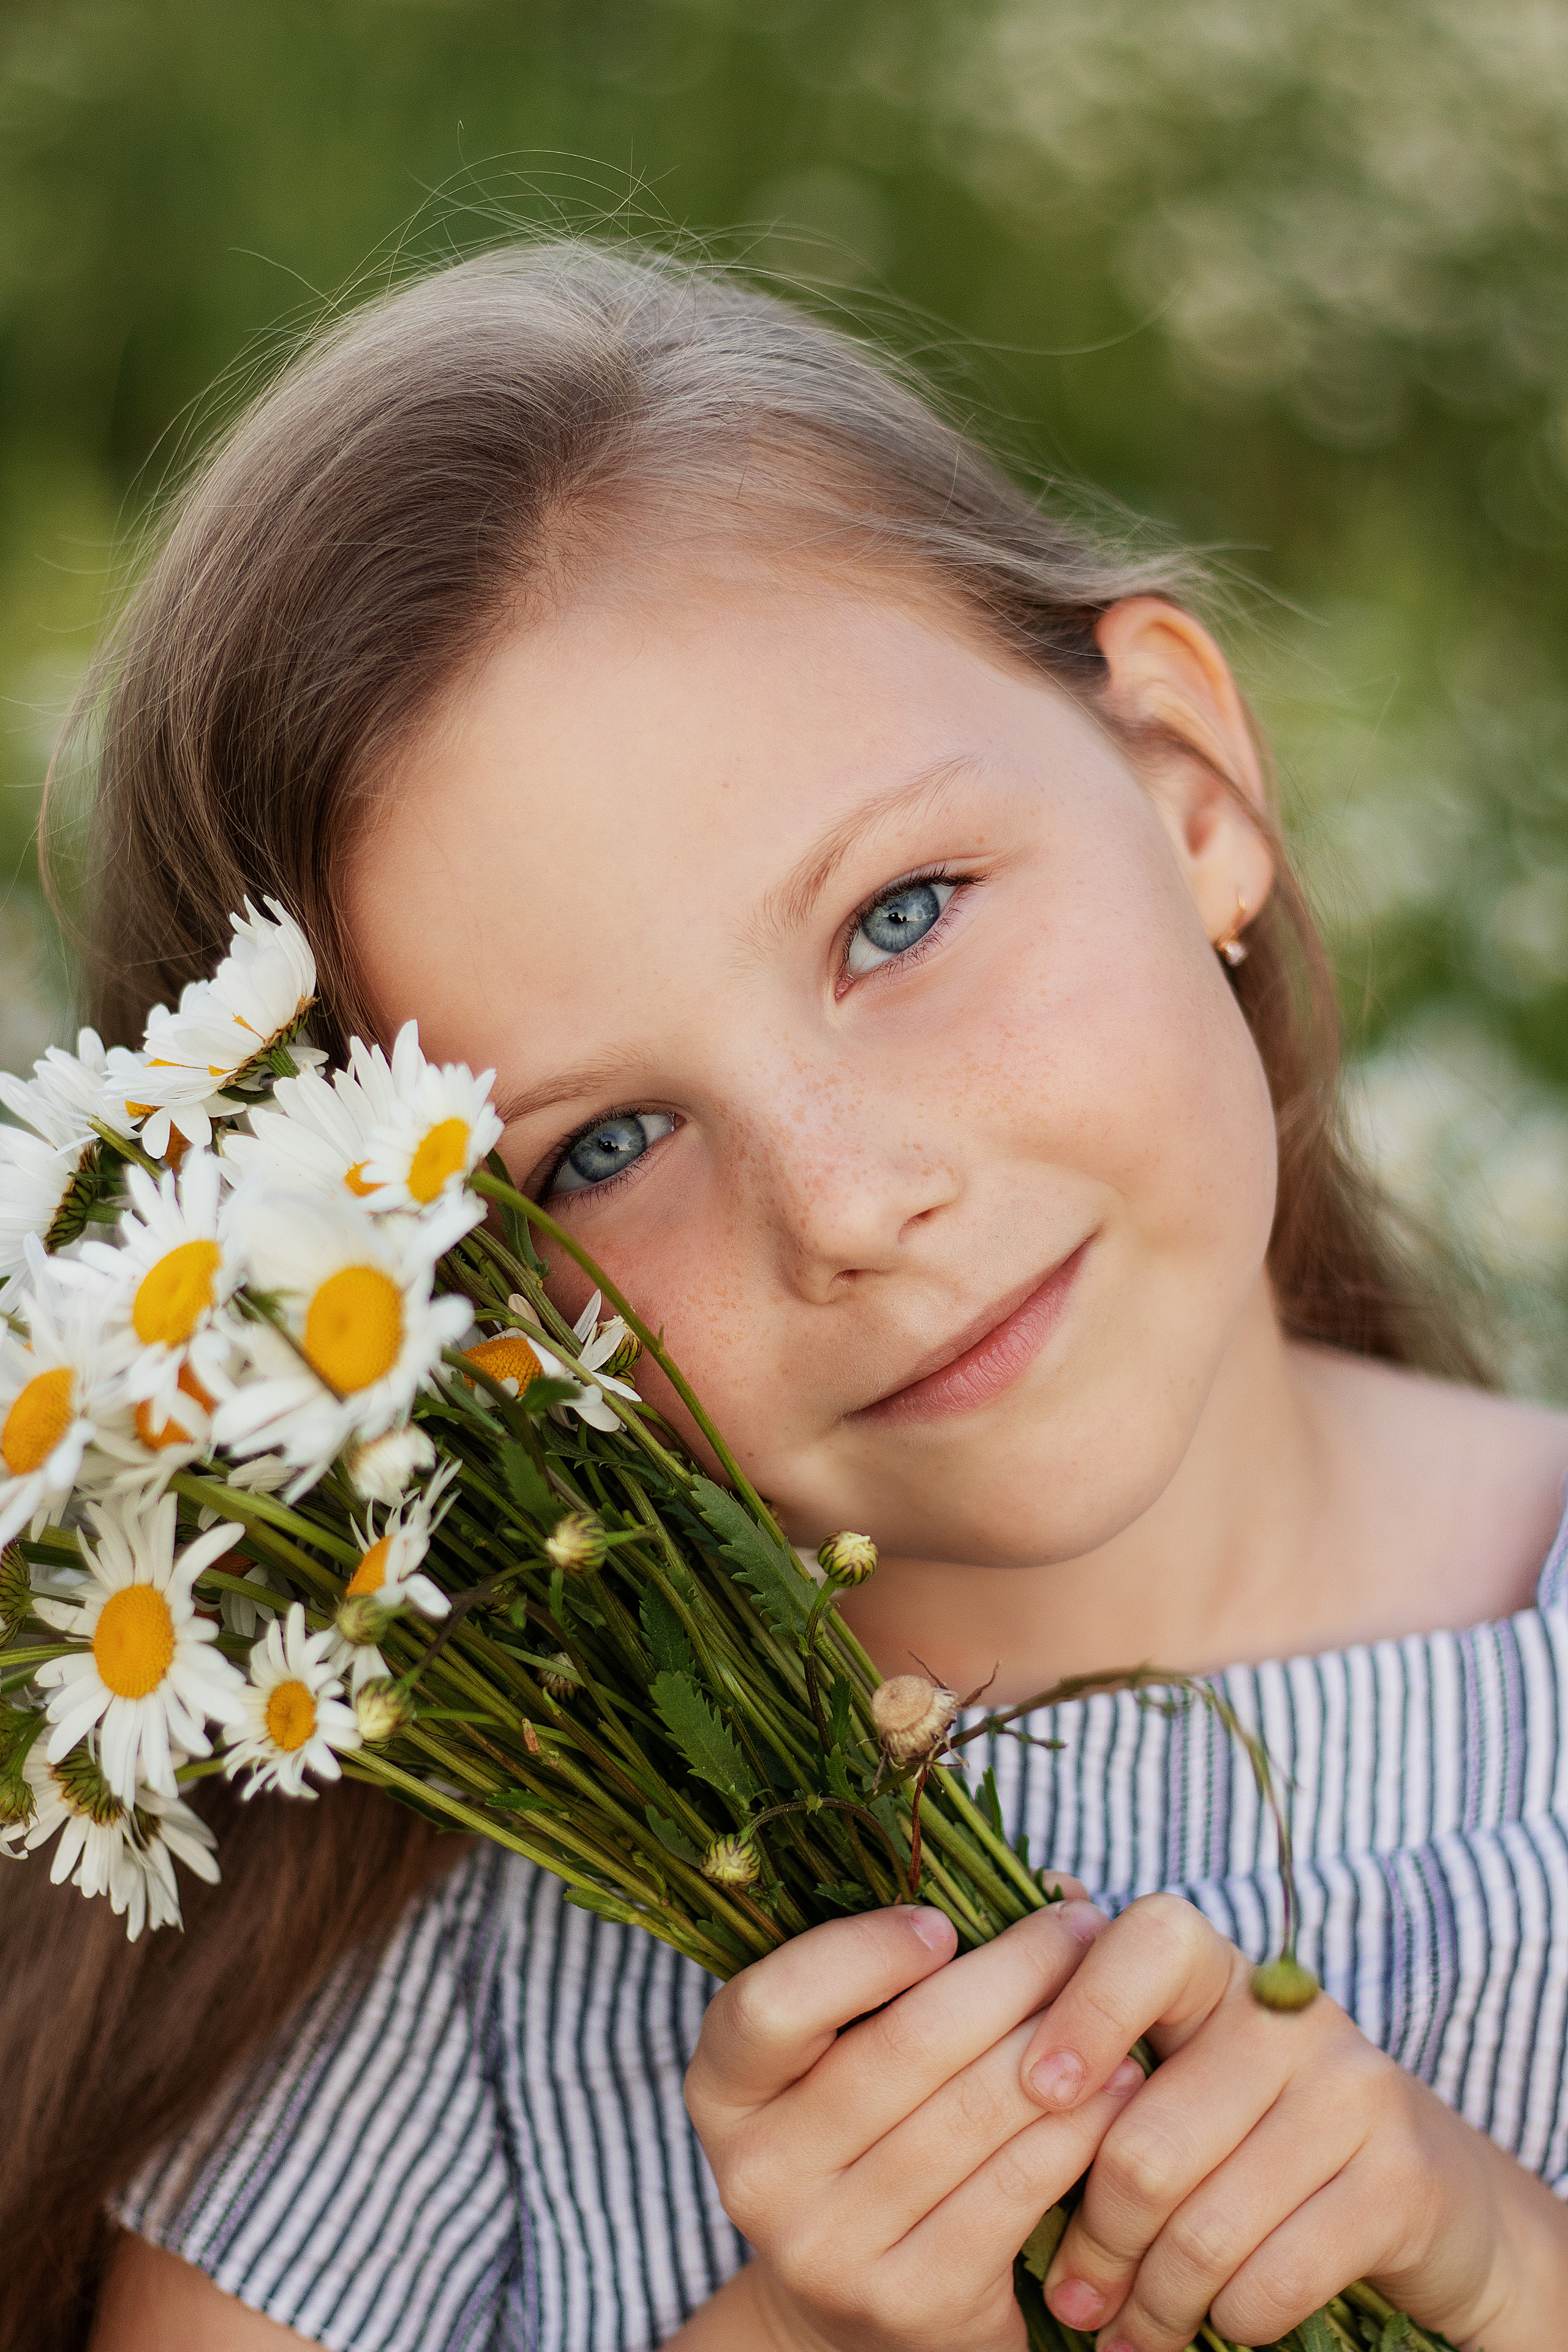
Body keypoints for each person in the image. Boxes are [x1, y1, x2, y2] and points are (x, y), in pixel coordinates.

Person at [6, 240, 1568, 2352]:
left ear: (1190, 792)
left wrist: (1511, 2269)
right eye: (603, 1152)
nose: (848, 1203)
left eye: (899, 917)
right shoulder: (440, 1986)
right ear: (416, 1329)